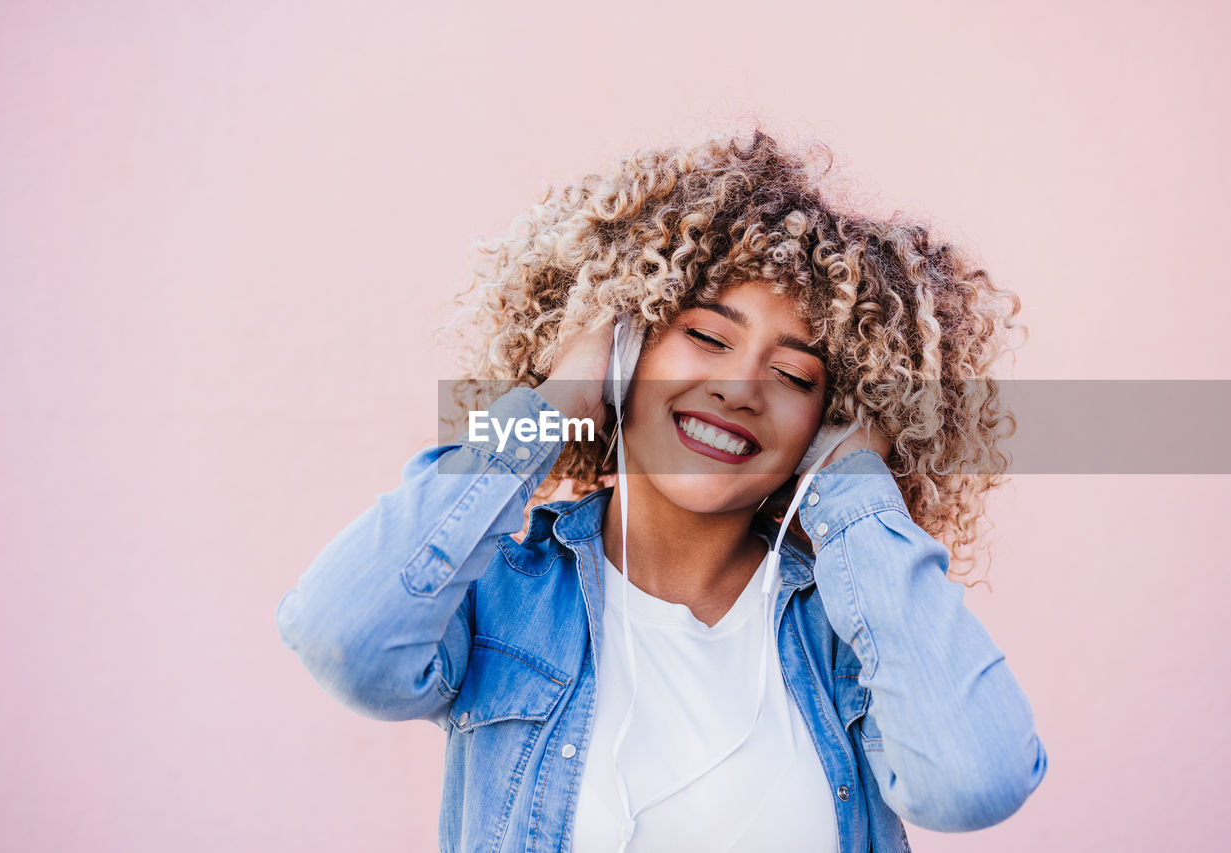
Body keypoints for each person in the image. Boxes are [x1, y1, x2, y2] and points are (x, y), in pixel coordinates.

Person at [276, 131, 1048, 852]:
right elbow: (343, 636)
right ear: (627, 345)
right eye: (707, 337)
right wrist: (552, 404)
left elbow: (975, 781)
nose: (740, 386)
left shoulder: (847, 637)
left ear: (834, 416)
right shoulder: (506, 599)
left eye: (793, 375)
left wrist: (850, 487)